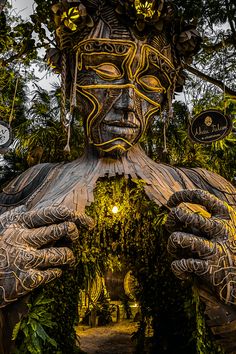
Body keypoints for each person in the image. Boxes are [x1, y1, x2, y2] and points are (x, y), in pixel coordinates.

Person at [0, 0, 235, 352]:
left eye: (151, 80)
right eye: (107, 69)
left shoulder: (206, 188)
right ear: (70, 80)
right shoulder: (28, 186)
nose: (128, 101)